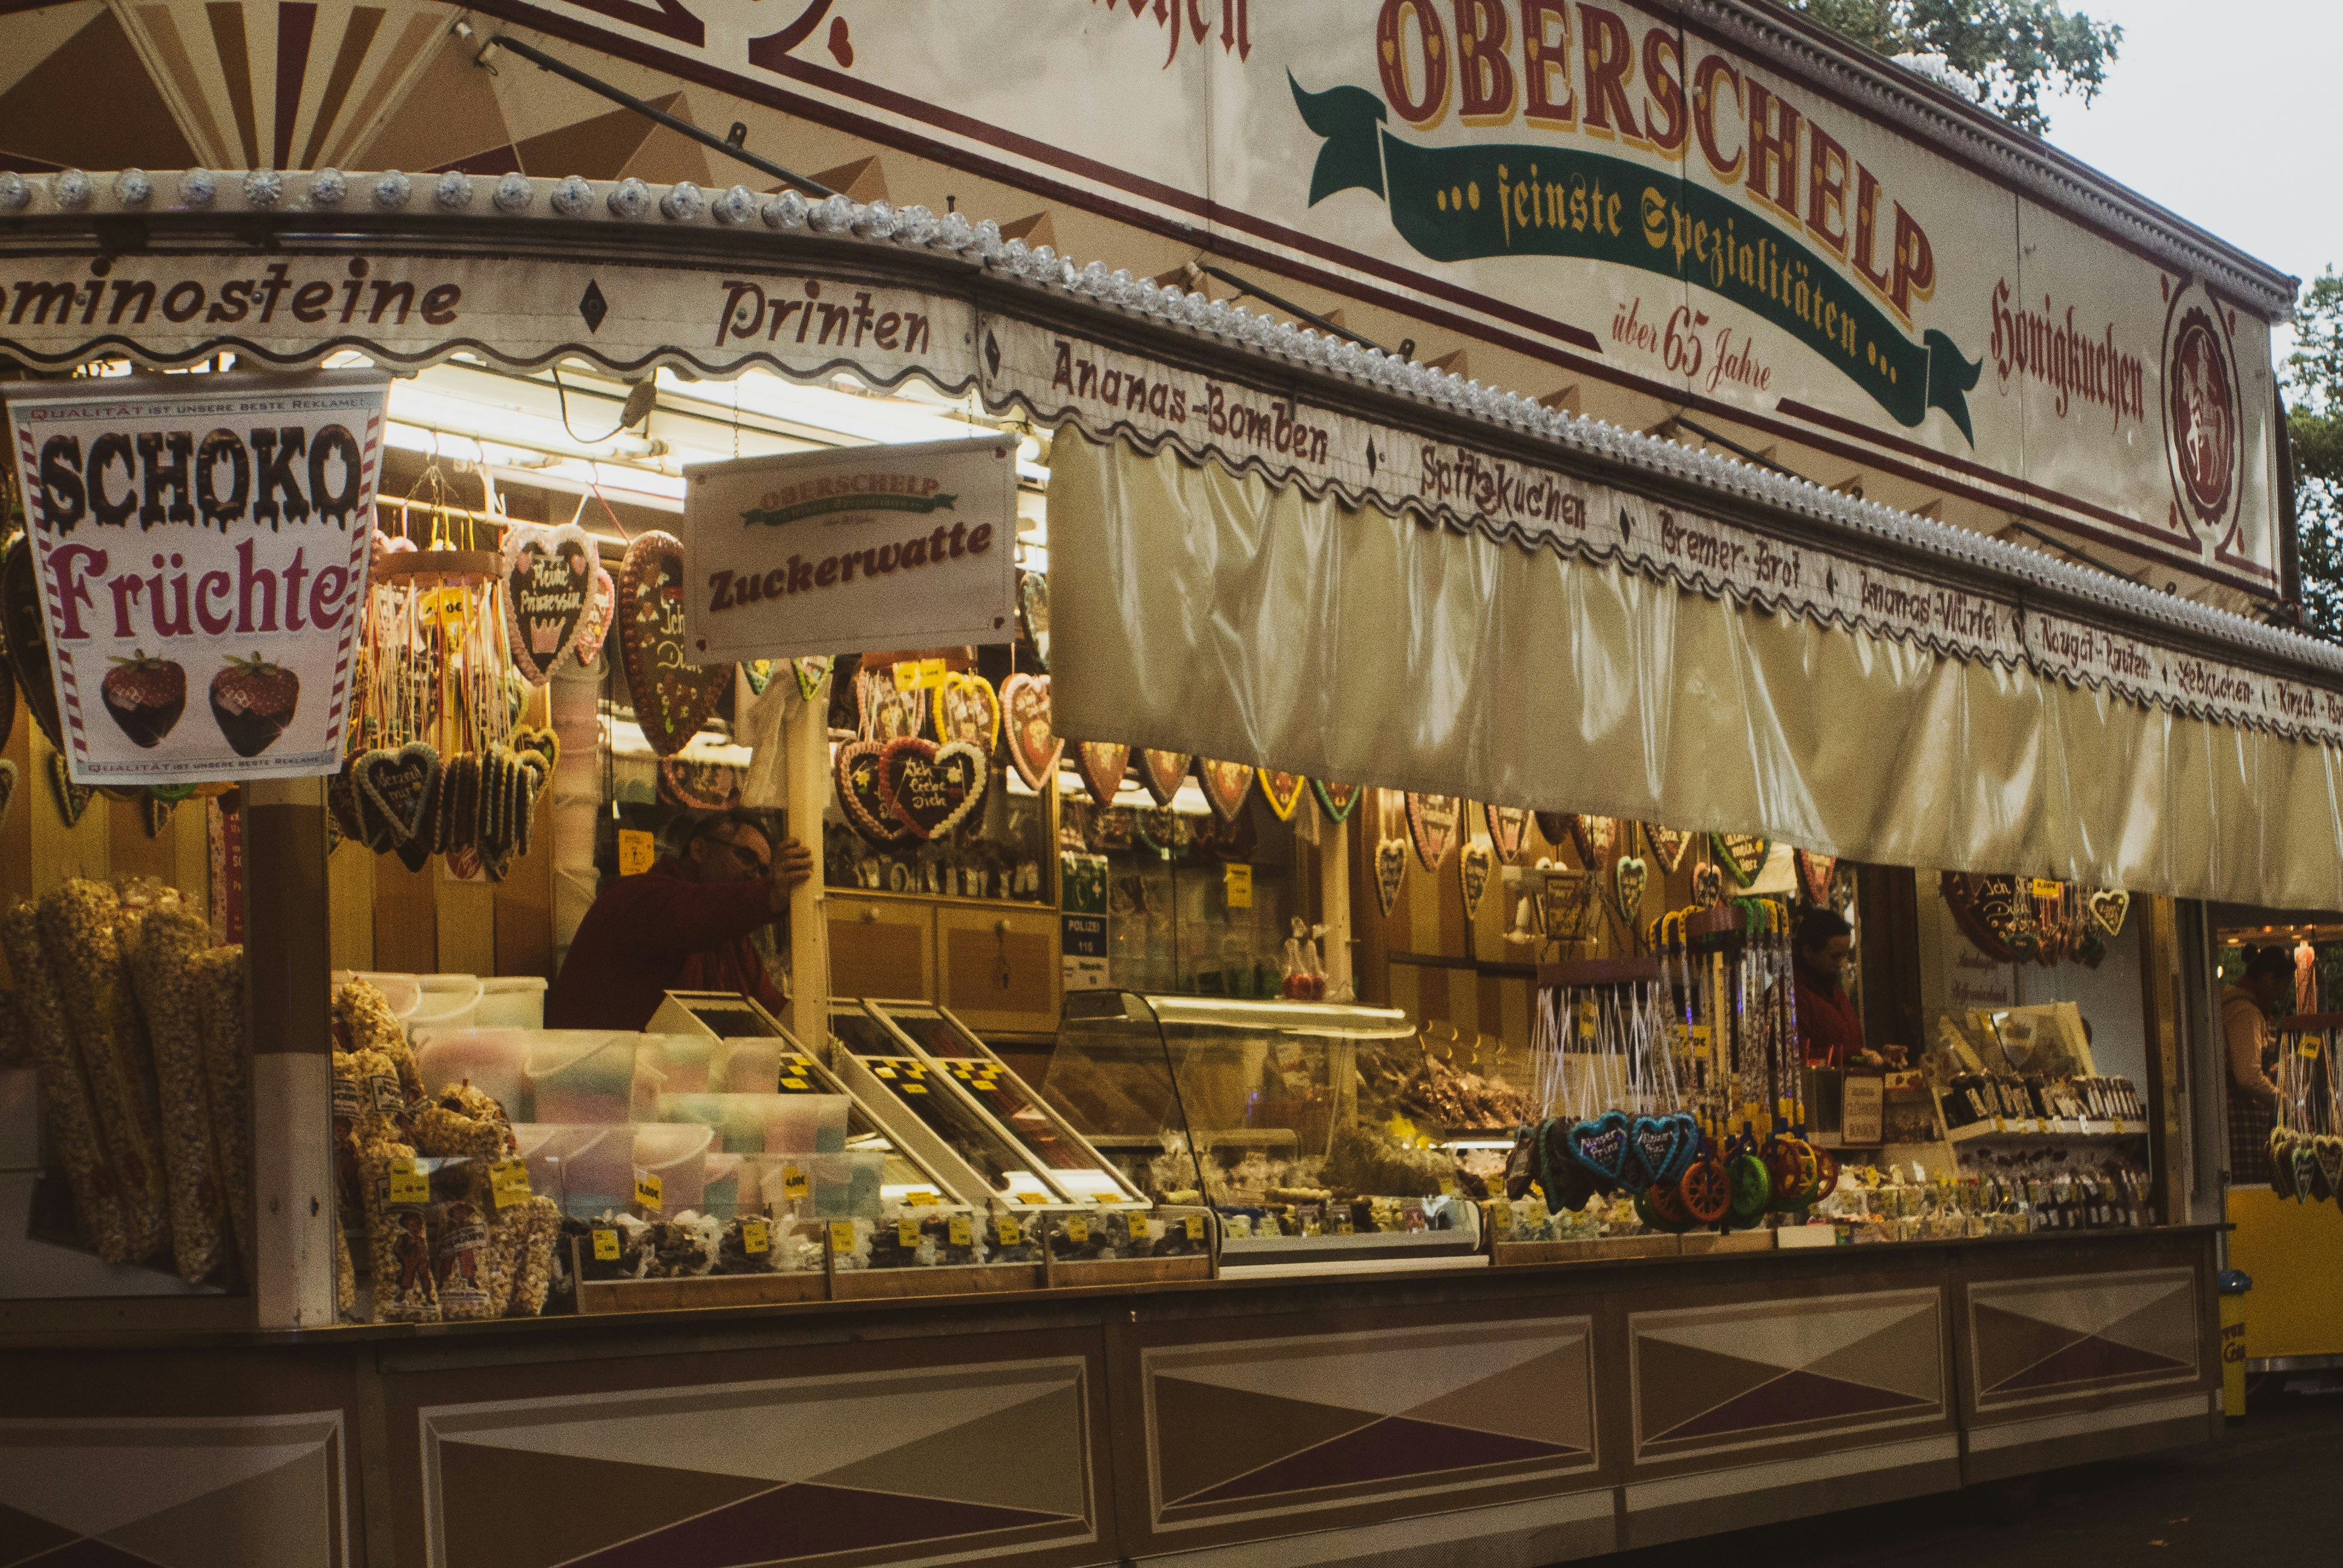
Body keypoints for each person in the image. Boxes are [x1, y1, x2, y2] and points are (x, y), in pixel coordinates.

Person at [546, 810, 814, 1030]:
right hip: (596, 1071)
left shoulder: (733, 940)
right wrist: (770, 894)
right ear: (699, 849)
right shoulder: (638, 897)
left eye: (762, 871)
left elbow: (774, 1014)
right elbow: (695, 913)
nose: (753, 876)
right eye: (745, 857)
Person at [2222, 945, 2291, 1183]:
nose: (2284, 994)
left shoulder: (2244, 1007)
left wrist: (2275, 1072)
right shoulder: (2246, 1013)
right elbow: (2248, 1078)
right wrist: (2286, 1104)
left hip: (2244, 1117)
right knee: (2247, 1187)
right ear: (2269, 979)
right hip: (2240, 1121)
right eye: (2284, 985)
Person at [1793, 906, 1864, 1070]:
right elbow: (1797, 1059)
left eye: (1844, 955)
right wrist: (1857, 1055)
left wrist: (1877, 1055)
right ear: (1808, 952)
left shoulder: (1833, 992)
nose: (1841, 964)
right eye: (1835, 956)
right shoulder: (1789, 998)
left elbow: (1851, 1049)